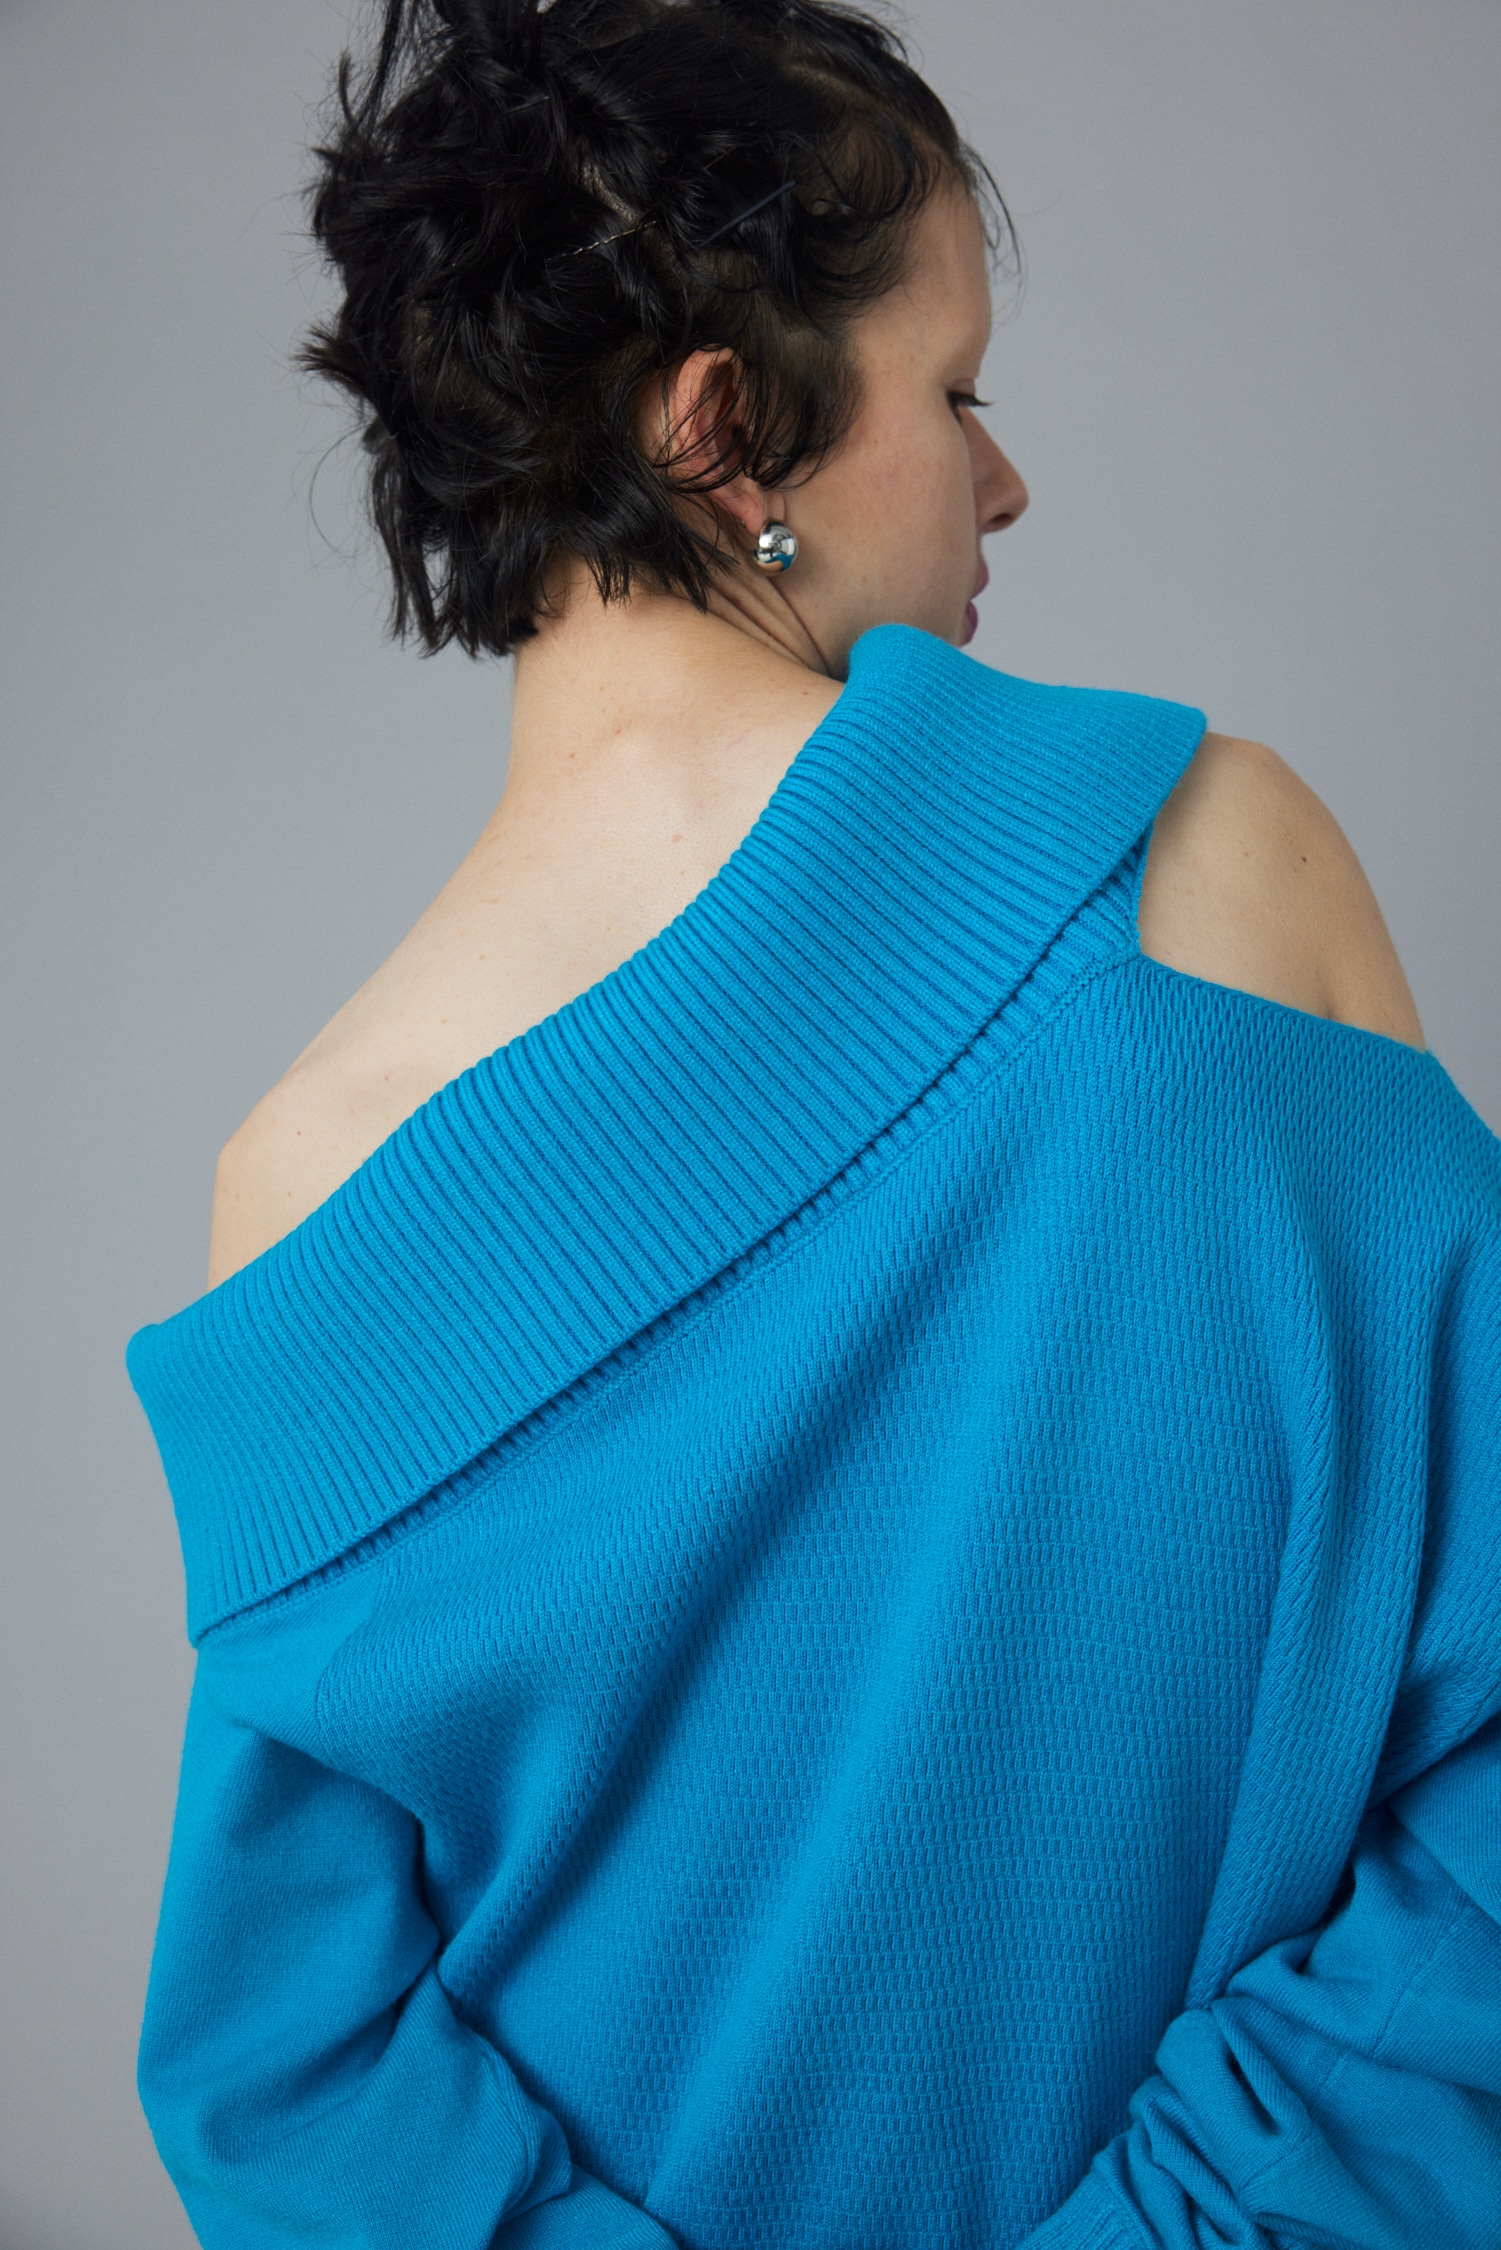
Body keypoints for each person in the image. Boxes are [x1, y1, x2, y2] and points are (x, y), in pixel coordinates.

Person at [126, 2, 1500, 2246]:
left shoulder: (299, 1188)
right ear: (724, 430)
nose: (1000, 482)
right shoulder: (1201, 871)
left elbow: (291, 2078)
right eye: (955, 395)